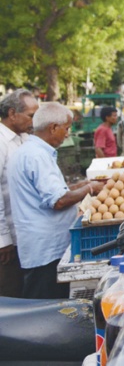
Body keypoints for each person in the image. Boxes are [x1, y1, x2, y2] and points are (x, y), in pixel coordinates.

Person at [8, 103, 105, 298]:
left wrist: (80, 186)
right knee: (44, 309)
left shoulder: (30, 151)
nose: (68, 134)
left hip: (40, 245)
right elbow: (58, 200)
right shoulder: (37, 156)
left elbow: (48, 192)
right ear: (53, 127)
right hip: (45, 250)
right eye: (67, 128)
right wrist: (91, 188)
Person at [0, 89, 39, 297]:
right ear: (13, 113)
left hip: (23, 233)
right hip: (7, 239)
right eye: (31, 115)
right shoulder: (1, 142)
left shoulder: (24, 138)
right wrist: (3, 240)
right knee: (9, 293)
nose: (34, 121)